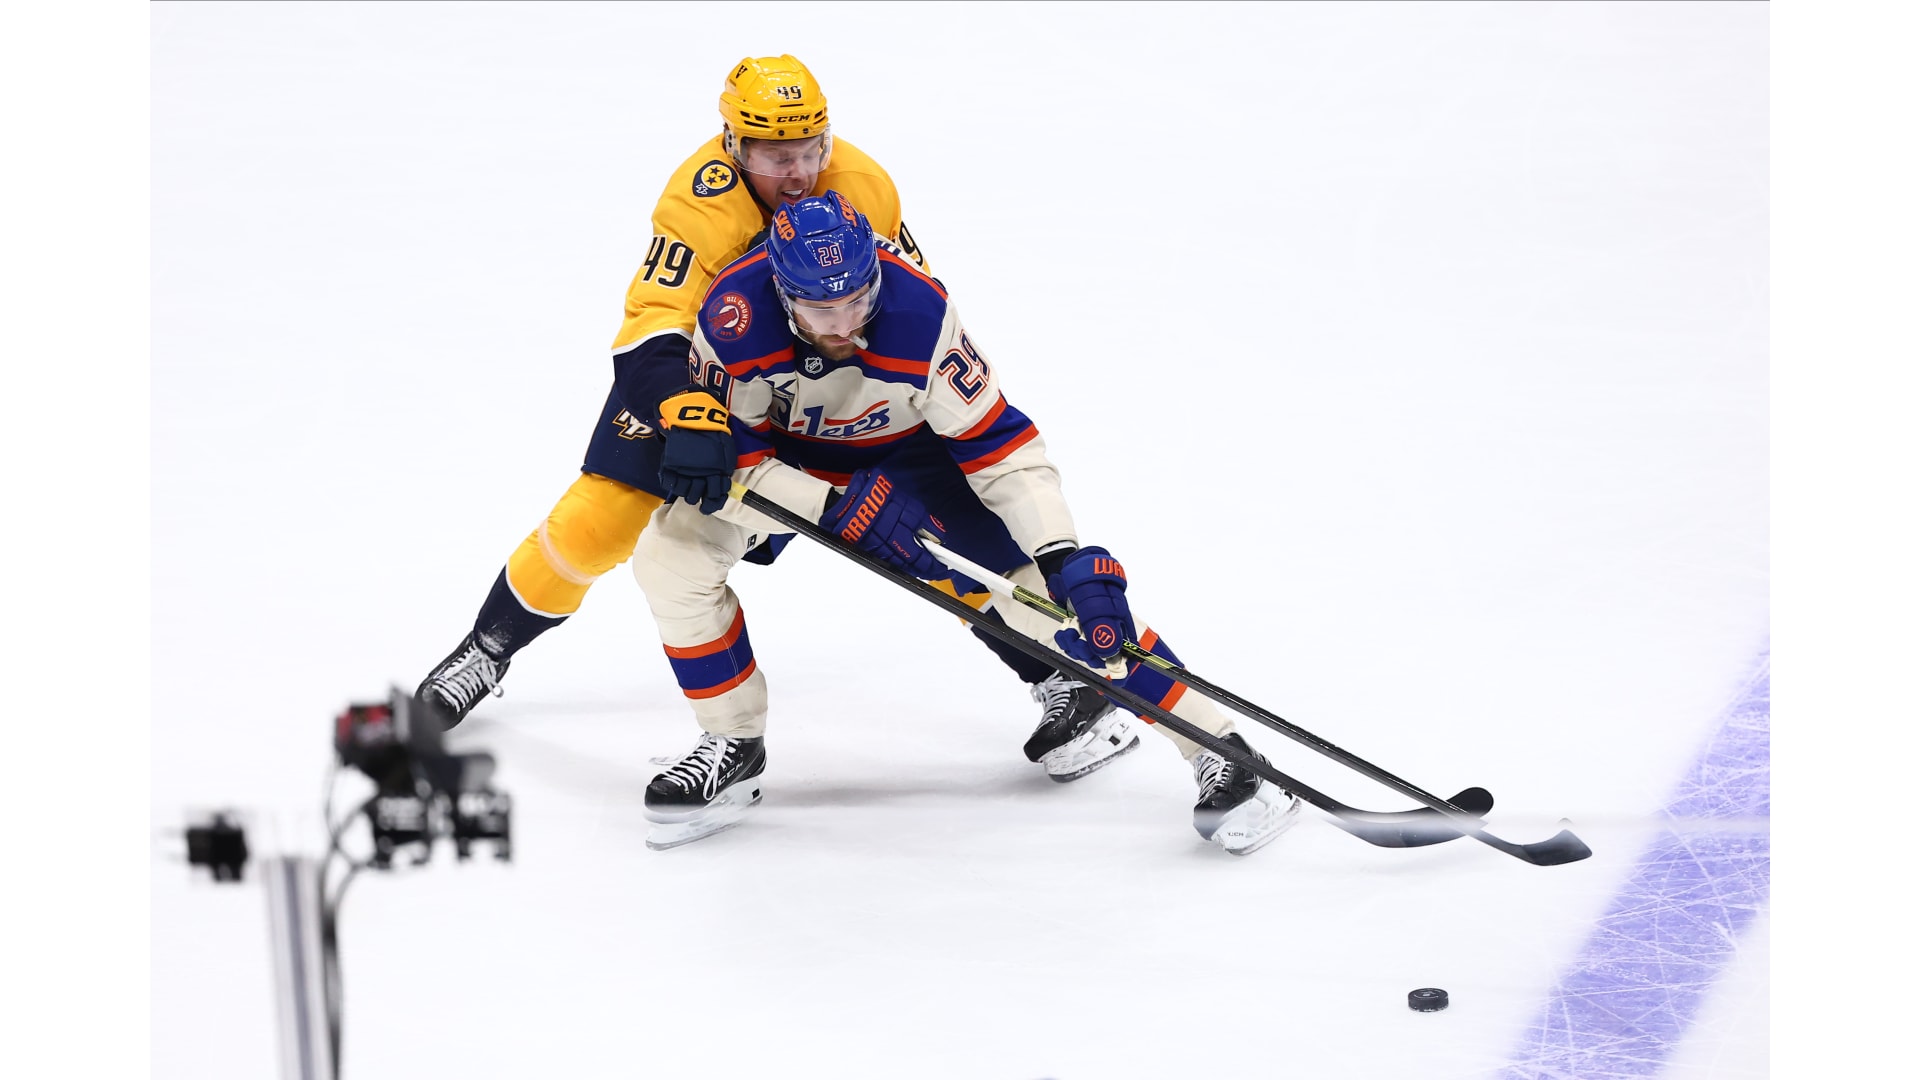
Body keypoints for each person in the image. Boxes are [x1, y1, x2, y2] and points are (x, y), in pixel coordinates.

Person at [414, 56, 1135, 783]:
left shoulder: (862, 185)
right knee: (600, 521)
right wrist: (688, 407)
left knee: (939, 526)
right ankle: (489, 647)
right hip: (721, 390)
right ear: (733, 145)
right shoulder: (700, 205)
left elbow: (906, 301)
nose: (797, 173)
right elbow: (650, 329)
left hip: (843, 381)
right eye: (773, 155)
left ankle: (1061, 676)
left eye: (809, 150)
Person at [633, 192, 1303, 853]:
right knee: (670, 559)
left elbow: (999, 446)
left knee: (1045, 600)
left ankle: (1224, 751)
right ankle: (733, 742)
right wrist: (833, 510)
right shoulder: (734, 315)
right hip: (791, 466)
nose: (844, 324)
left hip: (906, 455)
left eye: (858, 300)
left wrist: (1059, 552)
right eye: (820, 309)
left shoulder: (919, 310)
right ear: (783, 295)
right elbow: (733, 462)